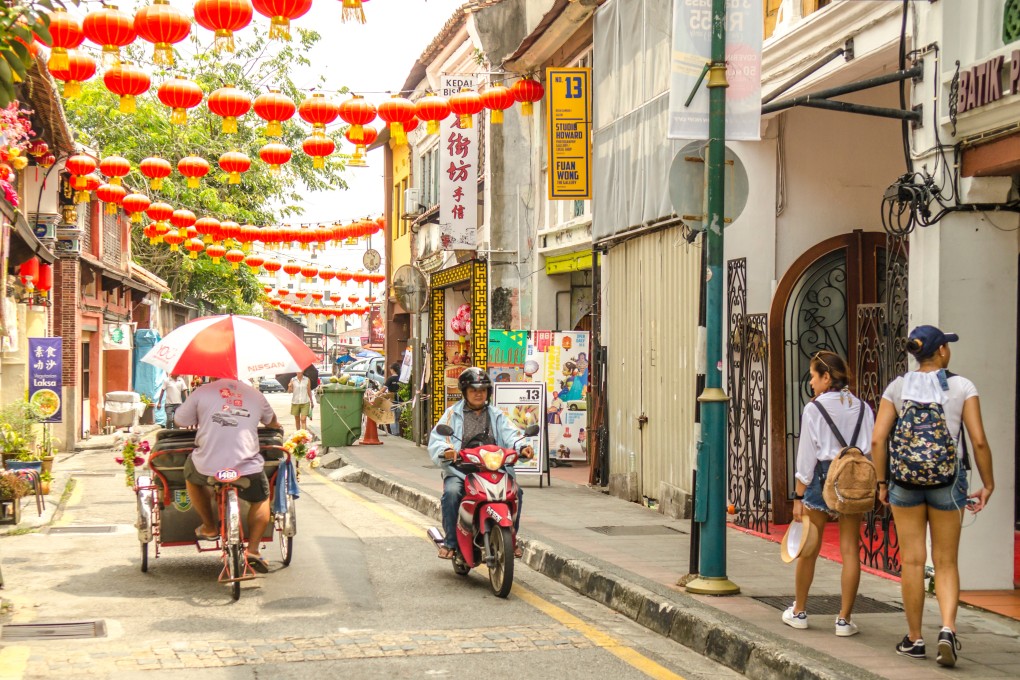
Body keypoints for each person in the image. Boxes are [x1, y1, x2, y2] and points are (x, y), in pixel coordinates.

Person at [872, 326, 994, 667]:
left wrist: (883, 483)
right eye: (947, 346)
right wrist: (988, 483)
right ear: (941, 352)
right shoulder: (962, 386)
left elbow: (879, 440)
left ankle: (914, 638)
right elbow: (979, 440)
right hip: (948, 482)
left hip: (904, 483)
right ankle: (947, 628)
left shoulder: (897, 387)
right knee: (946, 561)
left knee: (911, 560)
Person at [784, 351, 874, 637]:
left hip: (822, 477)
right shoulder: (863, 407)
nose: (811, 382)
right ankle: (844, 619)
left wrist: (798, 497)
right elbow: (869, 449)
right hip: (852, 478)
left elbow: (805, 457)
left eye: (813, 376)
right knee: (850, 550)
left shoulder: (815, 408)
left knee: (809, 548)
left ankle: (799, 610)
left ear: (826, 377)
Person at [173, 377, 281, 573]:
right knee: (261, 497)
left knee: (191, 475)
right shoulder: (255, 394)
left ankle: (209, 527)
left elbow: (180, 421)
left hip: (207, 465)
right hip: (246, 466)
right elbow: (272, 422)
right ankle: (254, 551)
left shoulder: (202, 391)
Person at [428, 367, 534, 560]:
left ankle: (512, 538)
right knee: (452, 493)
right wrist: (446, 451)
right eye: (473, 390)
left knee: (516, 493)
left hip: (494, 469)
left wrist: (523, 447)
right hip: (462, 470)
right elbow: (438, 439)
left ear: (488, 393)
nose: (478, 394)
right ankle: (451, 542)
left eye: (482, 390)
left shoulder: (496, 415)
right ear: (465, 392)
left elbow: (513, 435)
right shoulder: (452, 414)